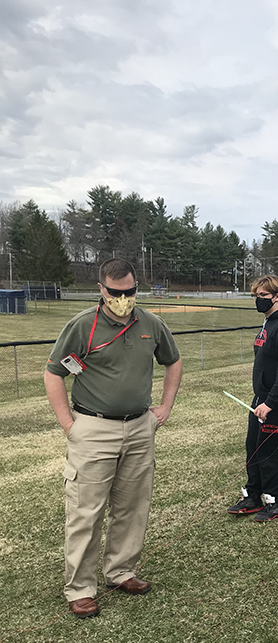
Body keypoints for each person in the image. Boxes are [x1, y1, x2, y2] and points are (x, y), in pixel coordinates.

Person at [44, 258, 182, 619]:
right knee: (86, 511)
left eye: (130, 291)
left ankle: (121, 571)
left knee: (133, 506)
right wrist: (68, 424)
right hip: (92, 428)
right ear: (101, 290)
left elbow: (174, 361)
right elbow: (54, 373)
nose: (123, 298)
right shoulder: (82, 326)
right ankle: (80, 588)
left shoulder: (151, 324)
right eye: (116, 292)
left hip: (139, 426)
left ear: (138, 287)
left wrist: (165, 406)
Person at [227, 275, 278, 521]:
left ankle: (274, 501)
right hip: (262, 398)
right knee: (253, 446)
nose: (258, 300)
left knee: (269, 450)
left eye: (263, 296)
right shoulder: (268, 322)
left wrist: (271, 402)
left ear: (277, 296)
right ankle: (253, 495)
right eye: (256, 296)